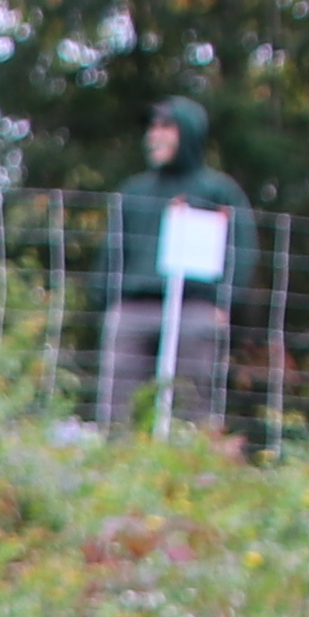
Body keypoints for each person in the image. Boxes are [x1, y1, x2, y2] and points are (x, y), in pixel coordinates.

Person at [94, 95, 246, 432]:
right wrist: (109, 302)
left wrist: (224, 303)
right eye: (153, 127)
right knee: (119, 407)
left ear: (188, 133)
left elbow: (241, 250)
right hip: (135, 309)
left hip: (195, 310)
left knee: (192, 406)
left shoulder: (218, 190)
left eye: (166, 126)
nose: (155, 135)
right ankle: (117, 470)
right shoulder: (133, 192)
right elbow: (111, 253)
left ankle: (191, 474)